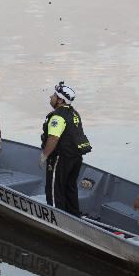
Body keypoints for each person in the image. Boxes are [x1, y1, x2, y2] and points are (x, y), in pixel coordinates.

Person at [39, 82, 91, 217]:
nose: (51, 97)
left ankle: (57, 218)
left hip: (60, 158)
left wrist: (45, 156)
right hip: (76, 157)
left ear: (60, 100)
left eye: (54, 95)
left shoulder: (57, 116)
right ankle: (73, 215)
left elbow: (53, 139)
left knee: (55, 189)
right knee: (70, 187)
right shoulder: (74, 114)